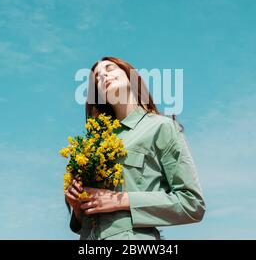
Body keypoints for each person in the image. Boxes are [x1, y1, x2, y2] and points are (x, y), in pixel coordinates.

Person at [65, 56, 205, 240]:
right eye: (96, 78)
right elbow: (84, 221)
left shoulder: (160, 127)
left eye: (109, 69)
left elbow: (192, 204)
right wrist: (77, 206)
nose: (103, 76)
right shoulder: (94, 144)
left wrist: (122, 200)